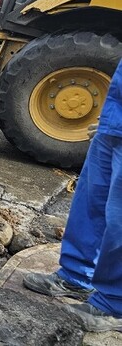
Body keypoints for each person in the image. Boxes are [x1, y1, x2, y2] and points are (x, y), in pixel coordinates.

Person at [23, 58, 122, 333]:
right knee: (91, 204)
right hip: (115, 118)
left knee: (120, 220)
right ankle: (78, 277)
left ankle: (115, 305)